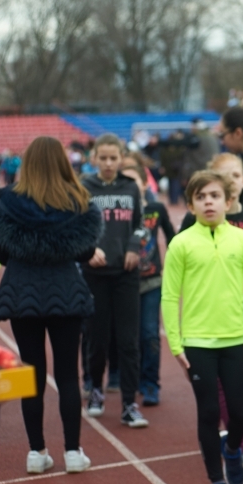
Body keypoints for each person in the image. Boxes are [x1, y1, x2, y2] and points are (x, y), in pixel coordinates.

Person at [161, 171, 243, 484]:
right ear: (191, 204)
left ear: (228, 202)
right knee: (209, 413)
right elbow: (169, 297)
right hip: (196, 342)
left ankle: (231, 452)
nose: (208, 201)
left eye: (214, 195)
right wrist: (176, 344)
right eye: (200, 197)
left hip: (233, 340)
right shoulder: (180, 243)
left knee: (240, 414)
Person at [0, 136, 102, 473]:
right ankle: (72, 452)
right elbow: (84, 250)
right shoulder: (78, 202)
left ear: (28, 165)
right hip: (66, 293)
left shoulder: (6, 204)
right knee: (68, 375)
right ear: (63, 164)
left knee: (32, 375)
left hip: (22, 295)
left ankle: (36, 453)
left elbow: (3, 254)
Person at [81, 133, 148, 428]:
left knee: (128, 341)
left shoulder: (131, 187)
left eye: (113, 158)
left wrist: (134, 247)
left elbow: (141, 226)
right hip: (94, 274)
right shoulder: (83, 187)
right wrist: (87, 250)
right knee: (97, 338)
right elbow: (77, 227)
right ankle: (95, 389)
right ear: (94, 158)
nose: (108, 163)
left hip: (126, 275)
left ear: (122, 159)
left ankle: (130, 403)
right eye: (103, 158)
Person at [119, 164, 175, 407]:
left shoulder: (156, 209)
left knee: (150, 333)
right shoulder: (117, 210)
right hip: (123, 281)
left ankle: (151, 383)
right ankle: (129, 380)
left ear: (144, 184)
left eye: (134, 181)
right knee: (130, 337)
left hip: (152, 281)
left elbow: (174, 238)